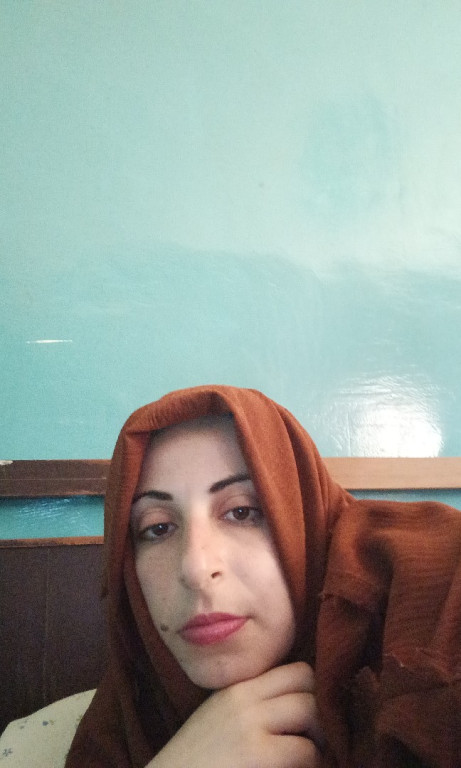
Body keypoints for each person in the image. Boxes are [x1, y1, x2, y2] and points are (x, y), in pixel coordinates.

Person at [65, 385, 461, 768]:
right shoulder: (131, 711)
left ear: (302, 518)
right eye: (157, 528)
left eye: (241, 512)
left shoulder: (429, 583)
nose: (197, 569)